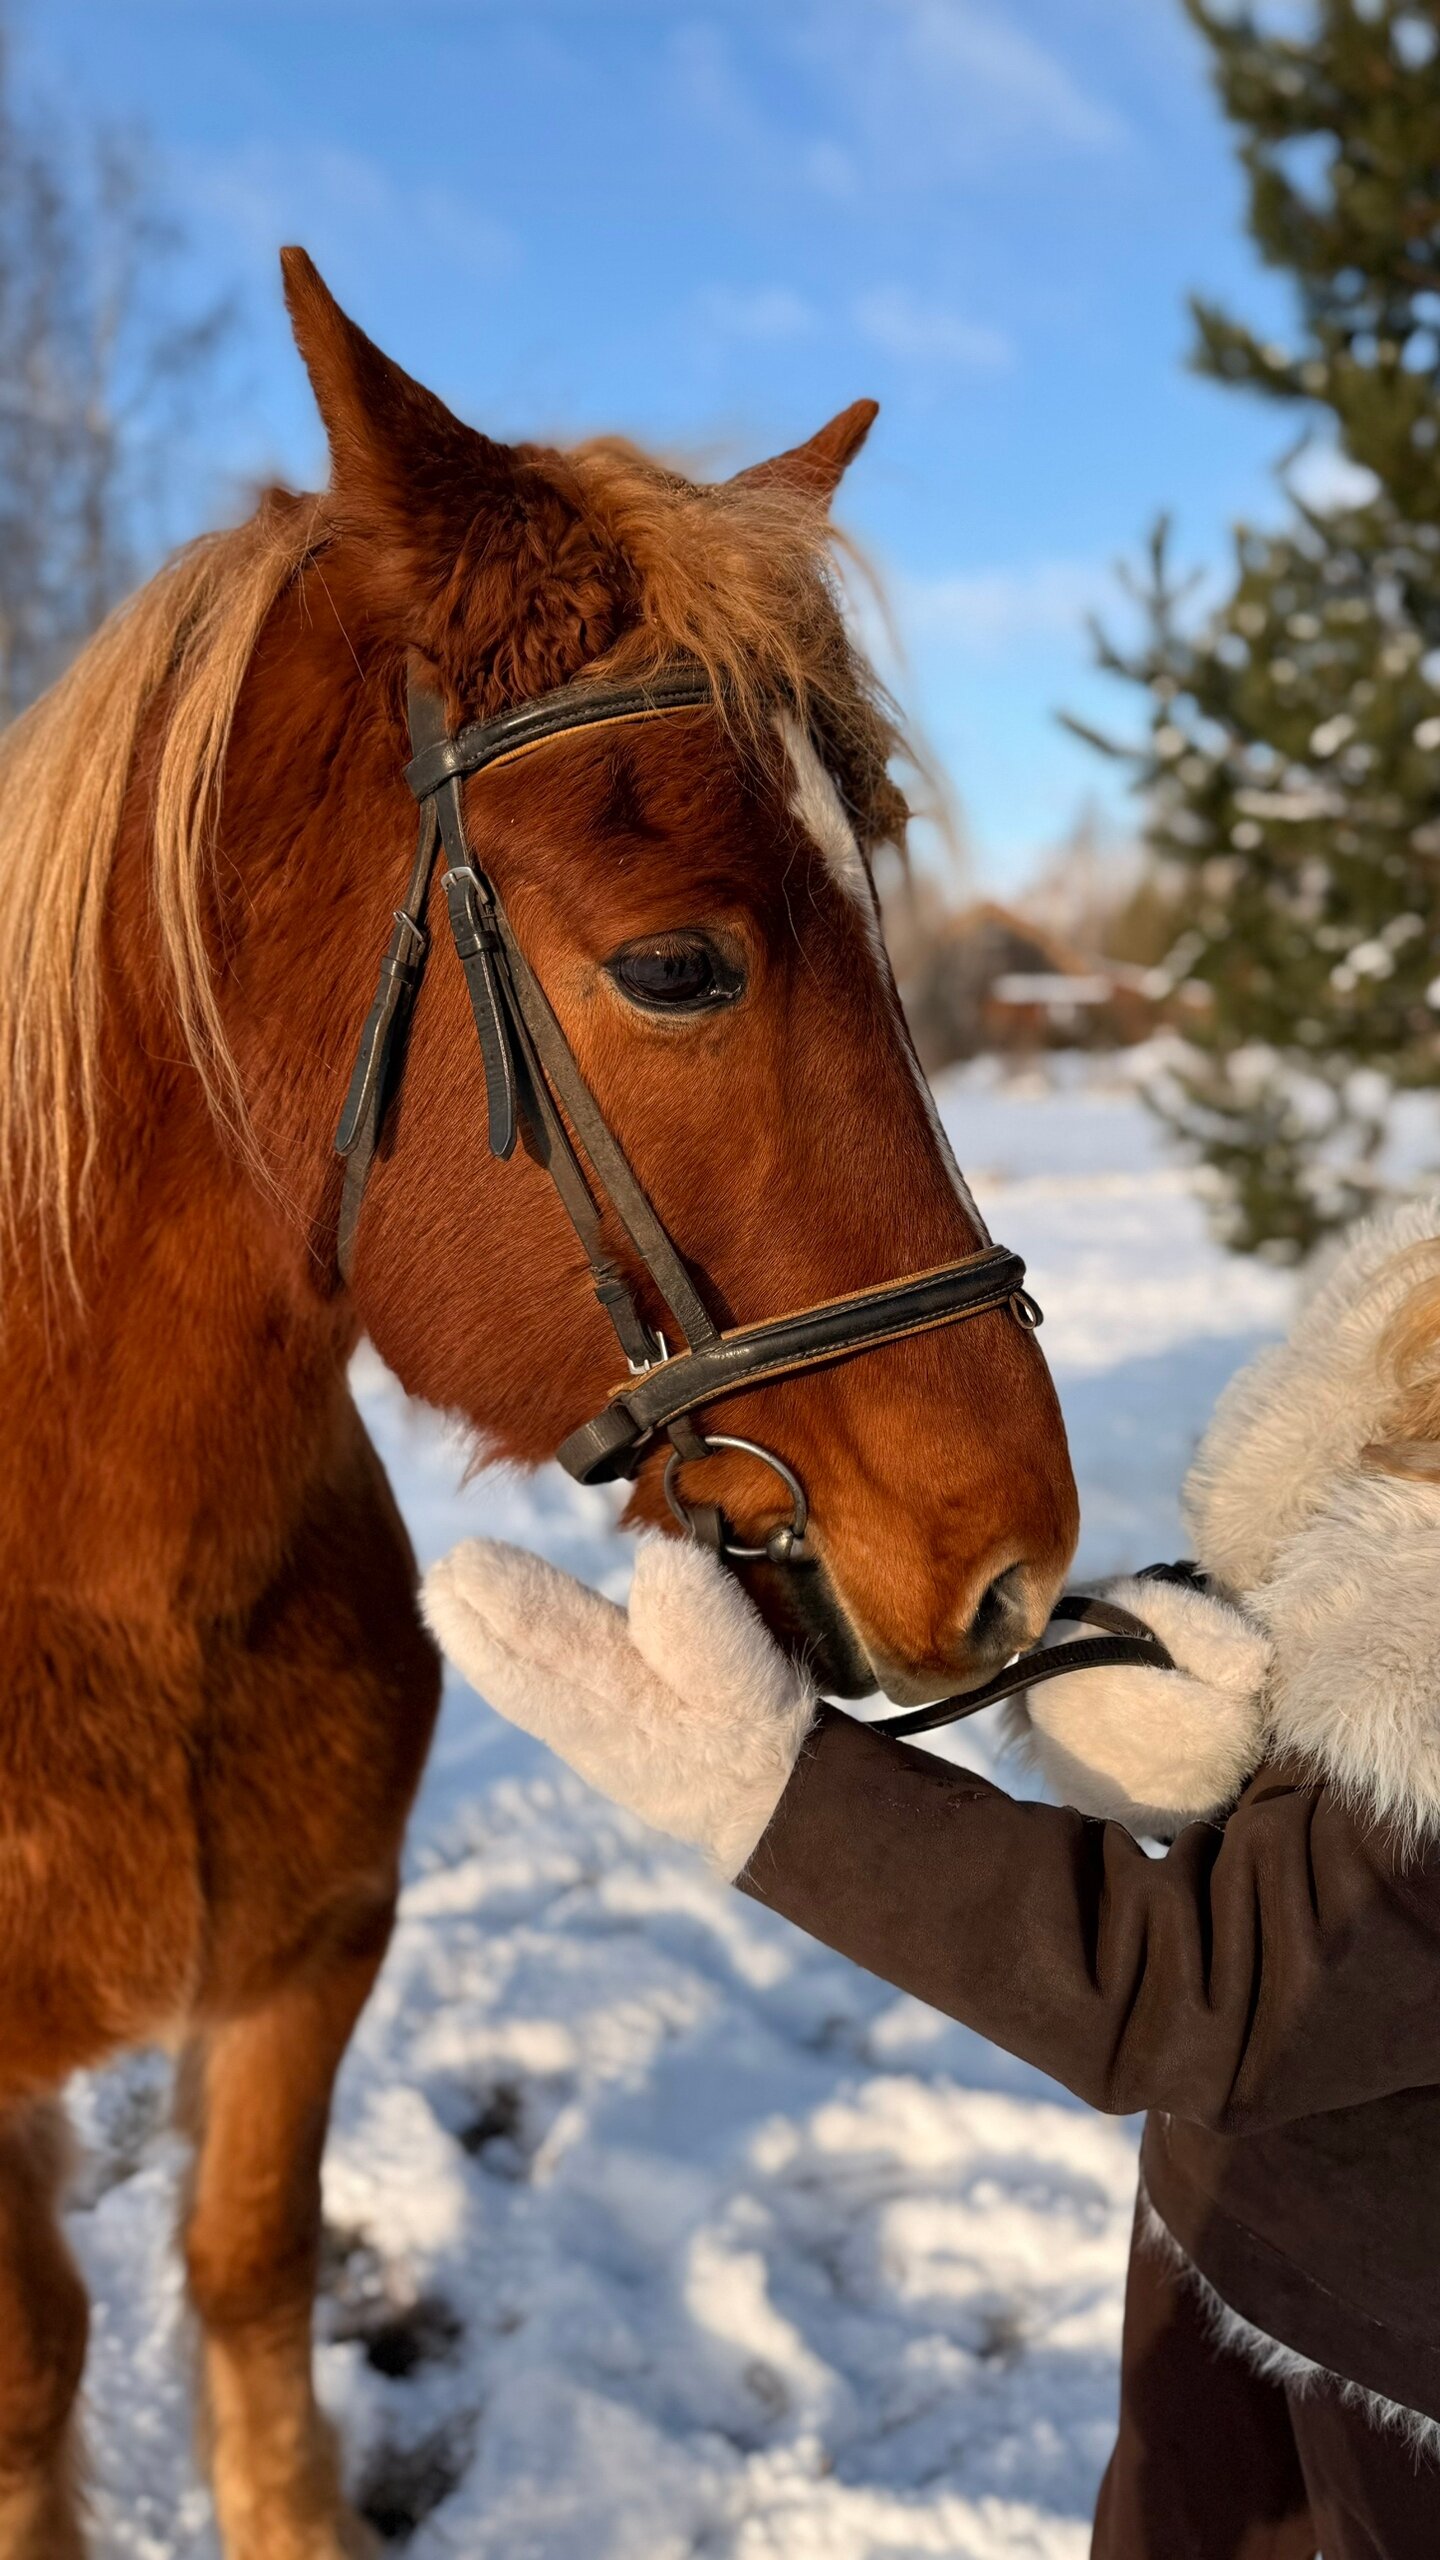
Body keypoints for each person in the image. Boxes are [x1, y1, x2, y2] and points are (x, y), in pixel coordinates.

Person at [424, 1202, 1440, 2560]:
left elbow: (1212, 1996)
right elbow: (1324, 1609)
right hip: (1230, 2221)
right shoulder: (1415, 1320)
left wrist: (768, 1787)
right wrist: (1169, 1674)